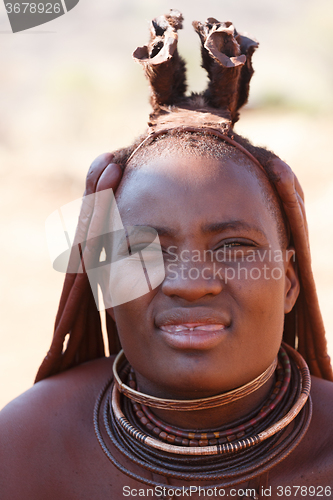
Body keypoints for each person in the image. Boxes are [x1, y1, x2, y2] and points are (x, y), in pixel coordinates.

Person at [0, 11, 332, 500]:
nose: (190, 282)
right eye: (142, 249)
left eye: (234, 246)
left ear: (287, 281)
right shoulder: (25, 449)